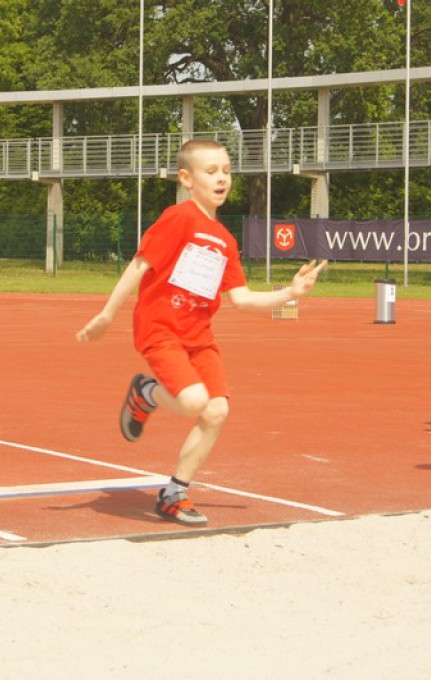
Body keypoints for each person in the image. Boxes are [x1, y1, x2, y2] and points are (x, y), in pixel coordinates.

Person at [76, 138, 327, 526]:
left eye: (226, 171)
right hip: (161, 328)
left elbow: (241, 300)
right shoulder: (179, 218)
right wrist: (108, 313)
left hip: (199, 336)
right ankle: (146, 392)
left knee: (217, 410)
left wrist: (291, 293)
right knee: (193, 402)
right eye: (211, 171)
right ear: (186, 178)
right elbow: (140, 264)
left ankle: (174, 492)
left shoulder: (226, 241)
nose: (222, 178)